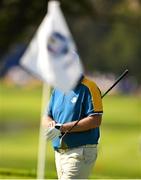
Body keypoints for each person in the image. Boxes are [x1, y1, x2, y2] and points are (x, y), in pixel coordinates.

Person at [42, 75, 103, 179]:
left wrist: (62, 128)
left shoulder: (89, 87)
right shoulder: (58, 88)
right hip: (59, 152)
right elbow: (46, 116)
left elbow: (95, 120)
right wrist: (51, 124)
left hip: (80, 151)